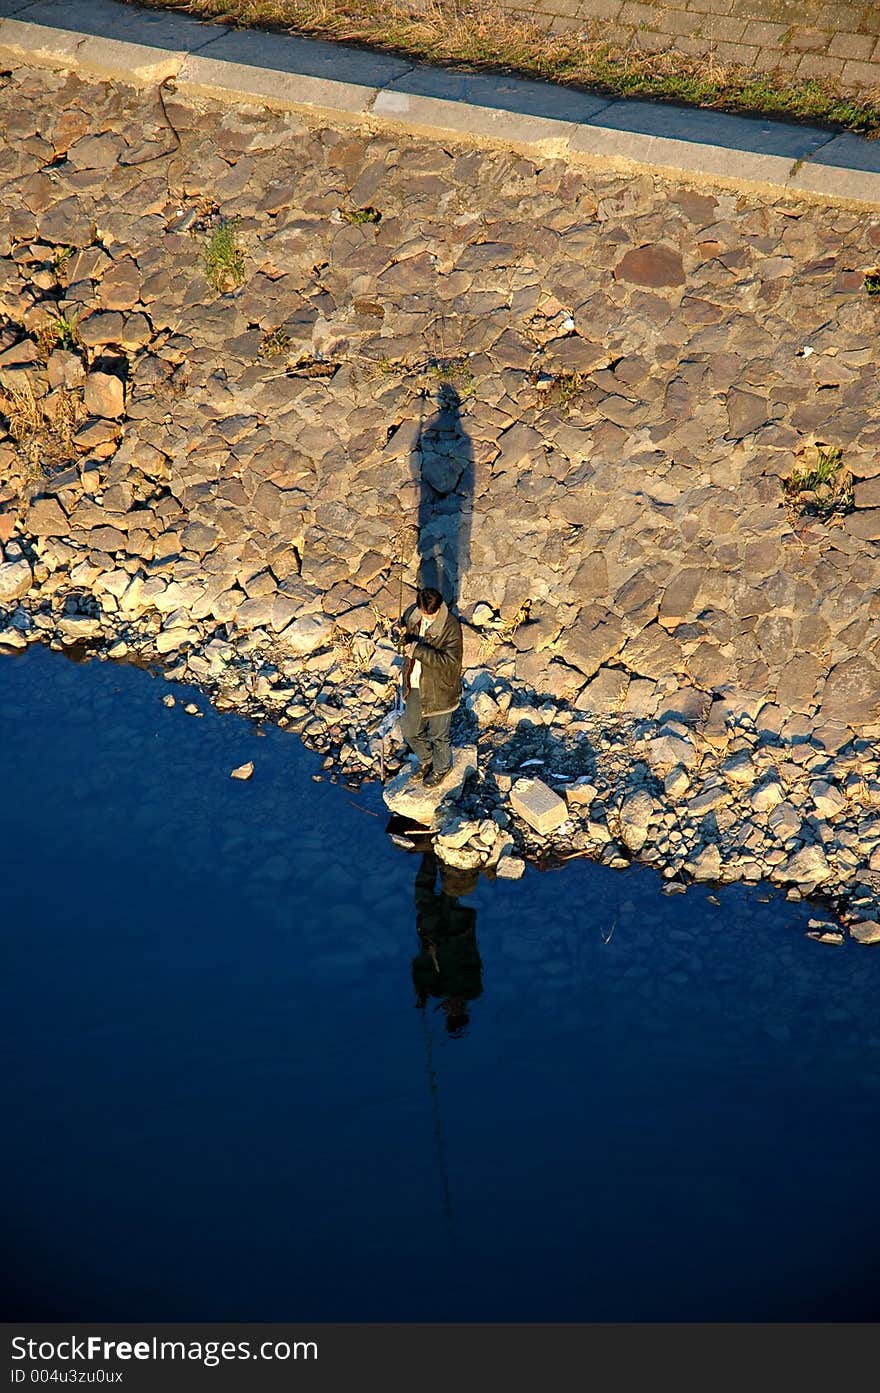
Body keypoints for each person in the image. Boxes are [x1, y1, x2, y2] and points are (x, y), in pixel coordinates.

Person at [391, 585, 463, 788]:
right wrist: (397, 632)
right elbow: (401, 640)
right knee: (410, 731)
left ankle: (442, 768)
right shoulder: (412, 614)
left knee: (438, 736)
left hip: (440, 689)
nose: (428, 618)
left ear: (440, 607)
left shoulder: (451, 627)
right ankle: (426, 760)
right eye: (425, 614)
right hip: (414, 683)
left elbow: (450, 663)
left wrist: (417, 650)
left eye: (431, 614)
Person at [411, 851, 482, 1037]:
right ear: (465, 1010)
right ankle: (442, 854)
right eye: (457, 1011)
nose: (453, 1008)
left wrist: (421, 993)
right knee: (448, 896)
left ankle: (431, 854)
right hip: (455, 933)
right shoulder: (472, 989)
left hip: (434, 935)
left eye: (451, 1012)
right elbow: (470, 956)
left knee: (423, 896)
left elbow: (421, 971)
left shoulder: (438, 990)